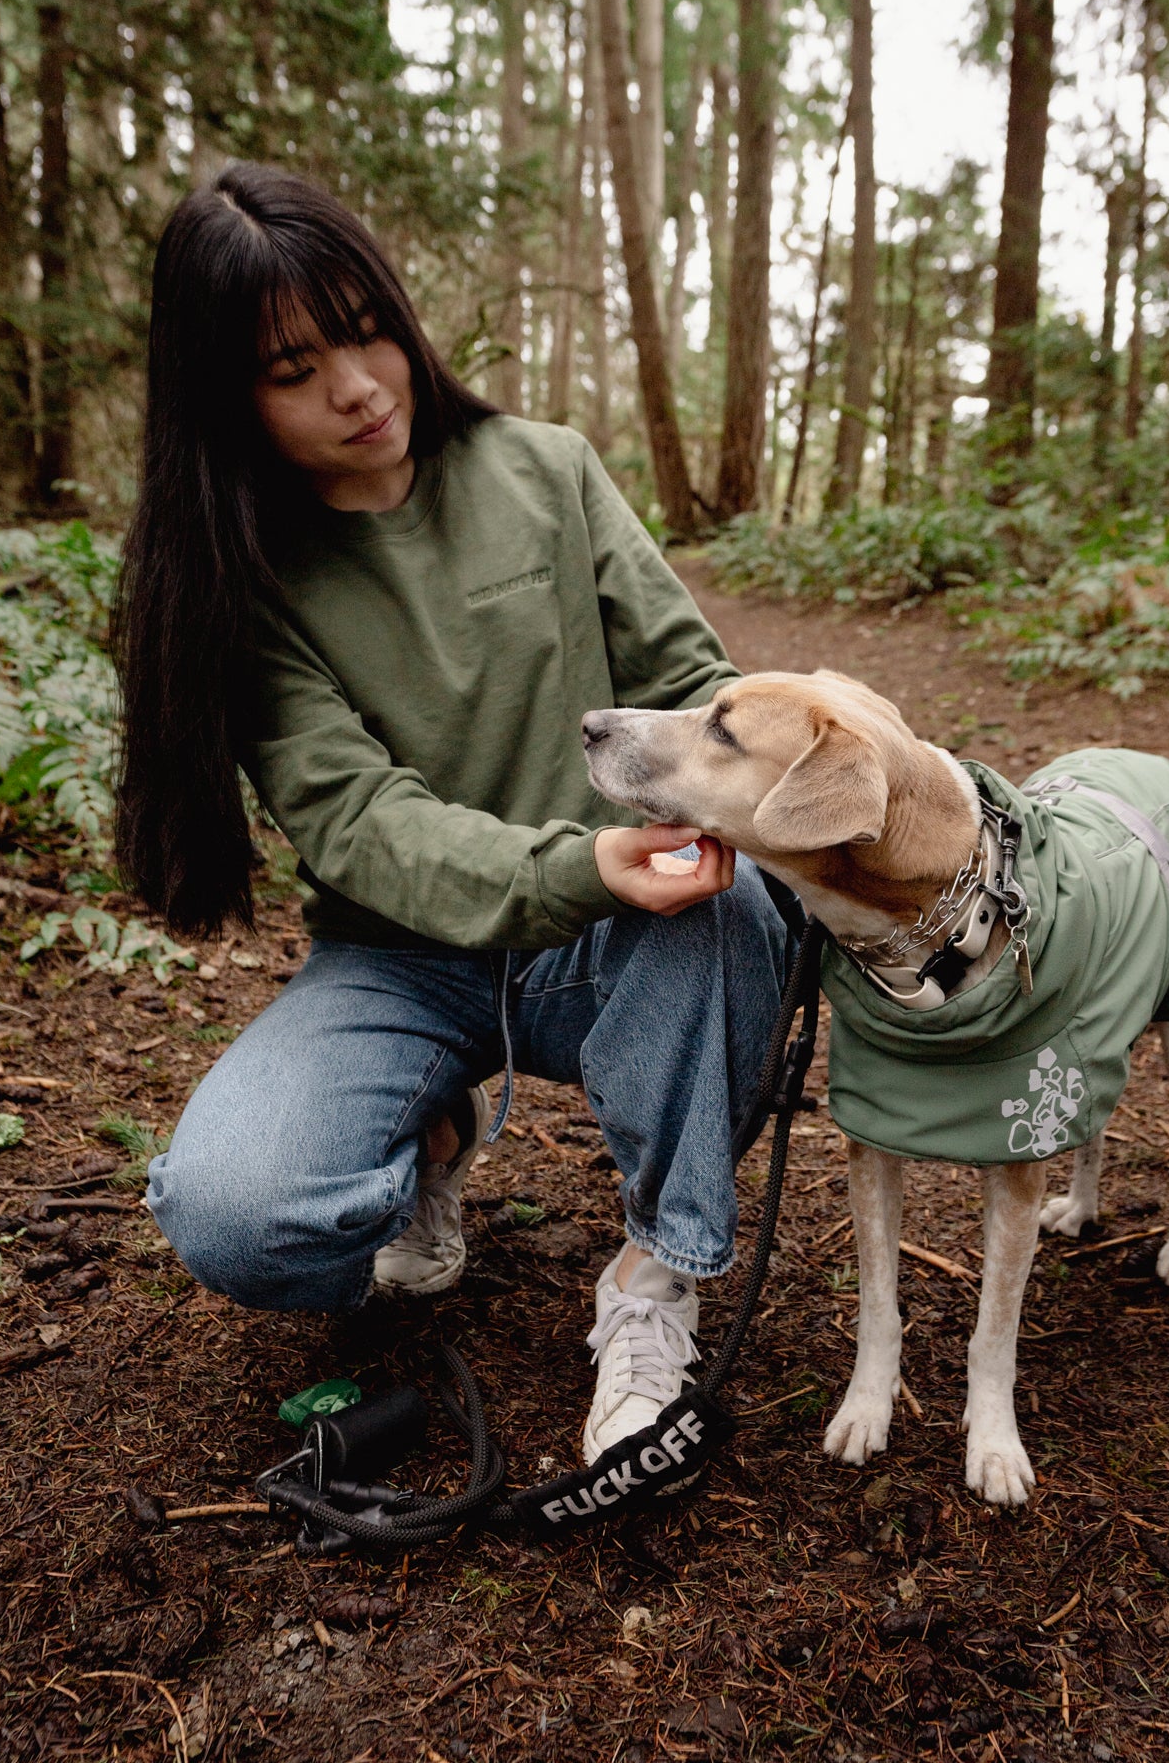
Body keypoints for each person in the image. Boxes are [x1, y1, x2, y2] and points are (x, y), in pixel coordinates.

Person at [115, 162, 790, 1462]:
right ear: (225, 399)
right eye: (291, 368)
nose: (357, 386)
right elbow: (360, 823)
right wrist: (583, 861)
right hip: (401, 957)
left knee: (737, 905)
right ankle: (430, 1136)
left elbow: (683, 680)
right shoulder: (242, 581)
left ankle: (656, 1277)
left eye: (366, 330)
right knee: (238, 1216)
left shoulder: (542, 472)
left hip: (617, 939)